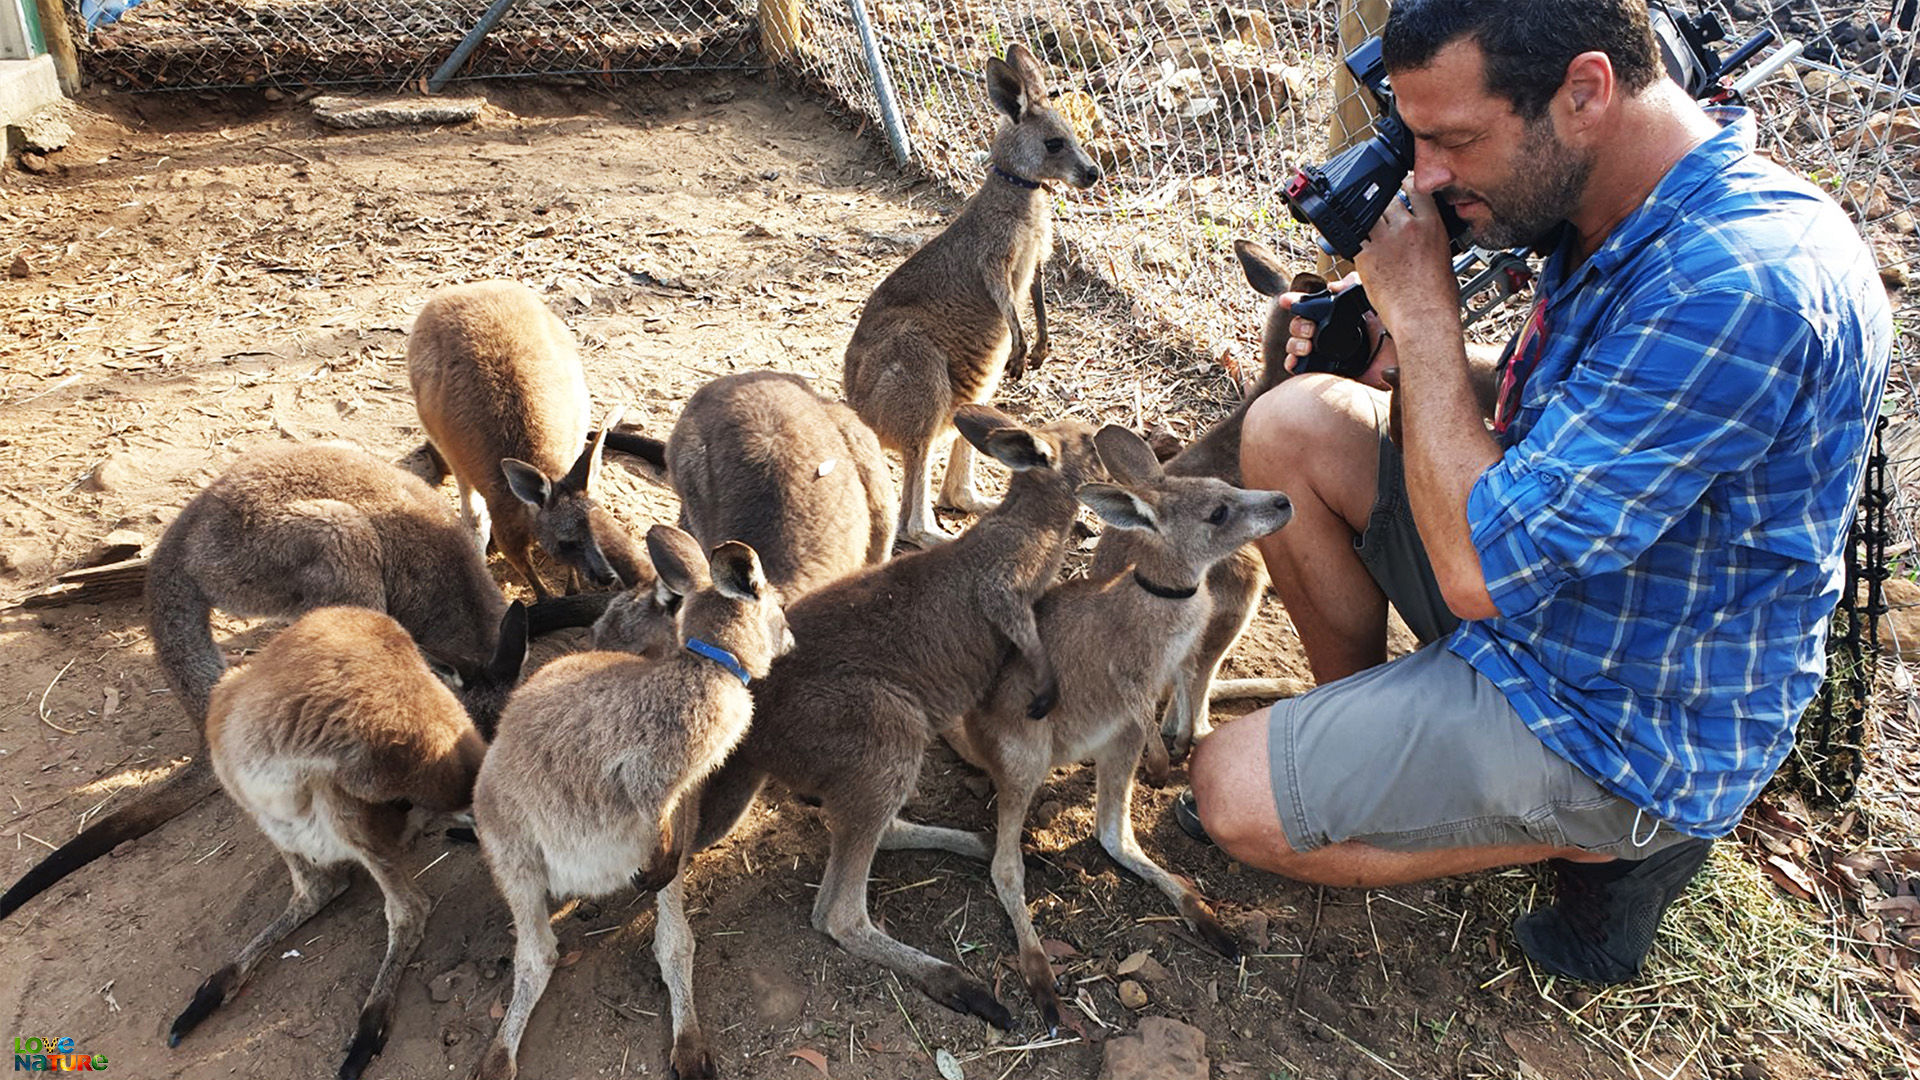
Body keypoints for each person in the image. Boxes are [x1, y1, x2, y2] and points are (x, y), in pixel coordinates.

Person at [1182, 0, 1892, 985]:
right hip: (1558, 594)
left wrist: (1424, 316)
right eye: (1414, 138)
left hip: (1622, 711)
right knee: (1294, 426)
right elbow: (1589, 407)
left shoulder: (1739, 289)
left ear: (1587, 90)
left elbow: (1479, 573)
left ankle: (1619, 843)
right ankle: (1376, 736)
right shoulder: (1623, 198)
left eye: (1453, 141)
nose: (1426, 176)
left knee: (1232, 794)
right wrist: (1413, 357)